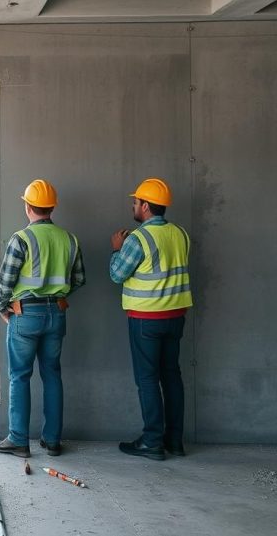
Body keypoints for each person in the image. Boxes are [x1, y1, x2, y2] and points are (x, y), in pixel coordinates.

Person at [0, 180, 85, 458]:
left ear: (27, 206)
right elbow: (79, 279)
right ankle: (52, 440)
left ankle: (19, 440)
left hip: (26, 315)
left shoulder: (21, 239)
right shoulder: (70, 239)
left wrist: (2, 308)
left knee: (20, 376)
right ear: (52, 207)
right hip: (57, 314)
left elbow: (6, 280)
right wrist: (57, 296)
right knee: (52, 374)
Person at [109, 177, 192, 461]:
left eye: (135, 202)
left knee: (147, 379)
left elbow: (117, 274)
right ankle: (175, 441)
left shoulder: (138, 238)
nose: (133, 206)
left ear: (145, 206)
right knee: (172, 376)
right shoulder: (180, 234)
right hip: (176, 316)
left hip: (146, 318)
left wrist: (117, 248)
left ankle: (152, 441)